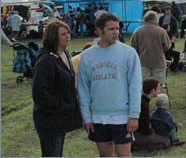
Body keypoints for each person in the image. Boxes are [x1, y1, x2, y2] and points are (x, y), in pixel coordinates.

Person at [77, 13, 142, 158]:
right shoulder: (87, 56)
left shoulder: (129, 53)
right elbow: (83, 89)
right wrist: (86, 117)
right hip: (98, 117)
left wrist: (134, 115)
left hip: (122, 116)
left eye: (117, 28)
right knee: (105, 154)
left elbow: (136, 86)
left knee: (124, 154)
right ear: (99, 31)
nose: (116, 32)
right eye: (111, 29)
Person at [32, 19, 82, 157]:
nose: (68, 36)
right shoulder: (46, 60)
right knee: (51, 153)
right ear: (53, 37)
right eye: (63, 34)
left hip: (60, 116)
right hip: (49, 118)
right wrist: (62, 105)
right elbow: (39, 93)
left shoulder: (65, 54)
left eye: (68, 33)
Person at [131, 11, 171, 85]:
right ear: (155, 19)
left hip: (143, 62)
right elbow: (167, 47)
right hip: (159, 62)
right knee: (158, 86)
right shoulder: (162, 31)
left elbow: (133, 48)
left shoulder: (137, 31)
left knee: (145, 86)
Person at [132, 78, 171, 152]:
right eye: (158, 88)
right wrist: (153, 133)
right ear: (153, 90)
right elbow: (145, 129)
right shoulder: (144, 105)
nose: (160, 90)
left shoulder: (142, 100)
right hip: (138, 134)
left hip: (136, 133)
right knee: (166, 142)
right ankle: (138, 147)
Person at [159, 8, 180, 72]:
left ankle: (173, 67)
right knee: (168, 53)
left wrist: (173, 36)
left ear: (170, 11)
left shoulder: (173, 19)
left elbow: (175, 30)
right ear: (165, 11)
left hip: (170, 37)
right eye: (166, 10)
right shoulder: (161, 18)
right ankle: (171, 66)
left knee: (172, 51)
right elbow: (158, 26)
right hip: (162, 39)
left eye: (169, 10)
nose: (167, 12)